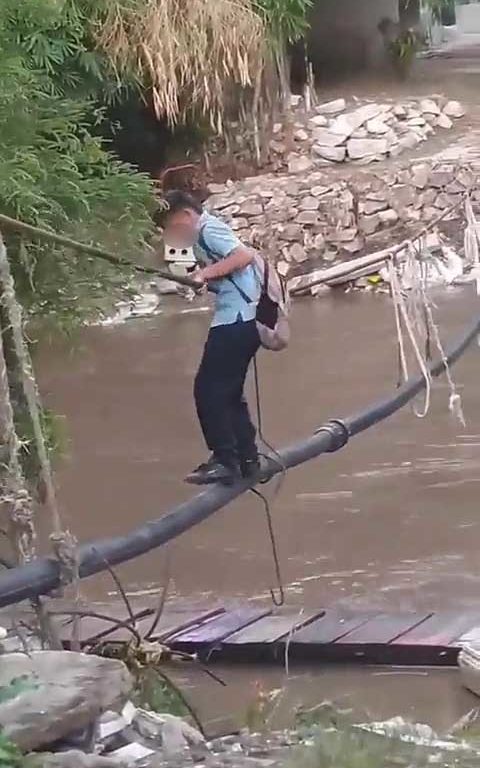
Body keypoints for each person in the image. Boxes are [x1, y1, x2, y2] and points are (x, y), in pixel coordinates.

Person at [161, 190, 261, 485]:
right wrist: (207, 280)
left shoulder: (208, 227)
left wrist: (205, 275)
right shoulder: (204, 234)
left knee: (207, 390)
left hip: (236, 320)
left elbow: (244, 255)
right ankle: (247, 457)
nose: (172, 234)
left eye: (171, 226)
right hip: (243, 319)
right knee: (229, 394)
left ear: (185, 216)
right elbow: (233, 270)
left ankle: (225, 459)